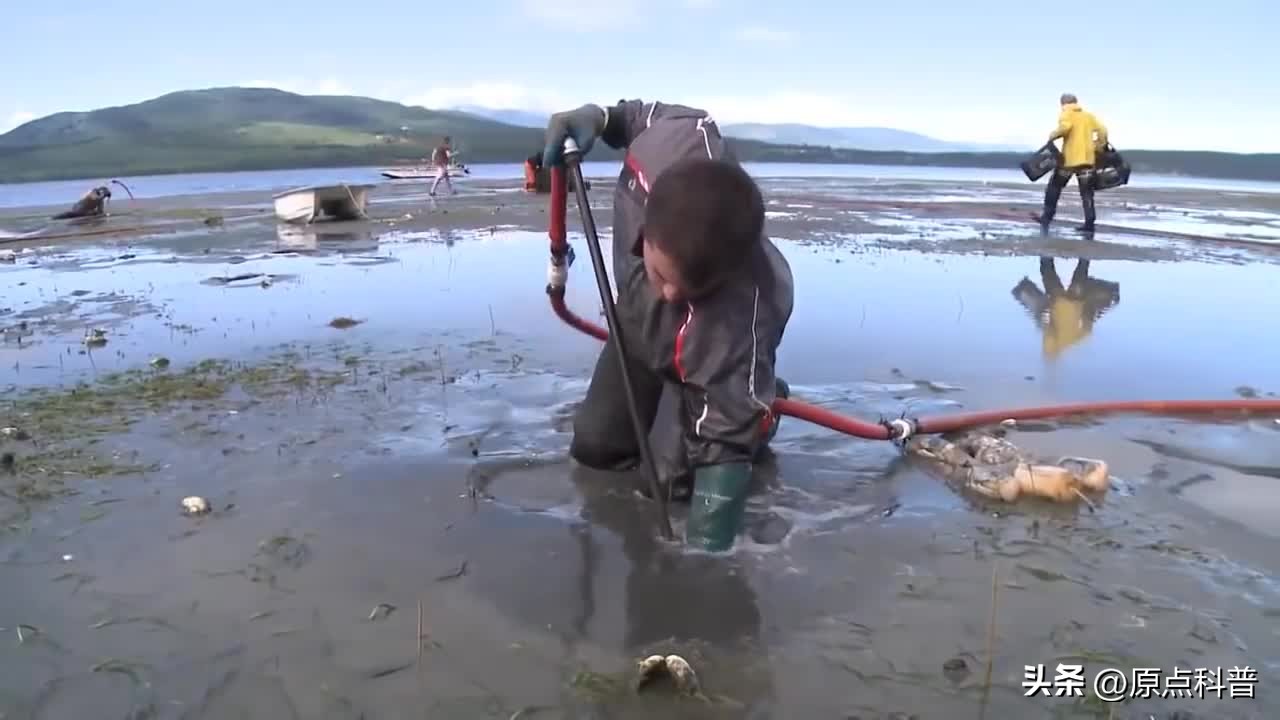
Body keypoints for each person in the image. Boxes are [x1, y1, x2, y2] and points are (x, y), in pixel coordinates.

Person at [542, 99, 794, 553]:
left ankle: (761, 405)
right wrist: (600, 119)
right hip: (637, 322)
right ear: (648, 229)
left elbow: (722, 449)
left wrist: (707, 556)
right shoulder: (676, 140)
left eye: (690, 288)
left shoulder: (735, 324)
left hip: (708, 352)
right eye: (664, 276)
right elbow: (639, 117)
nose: (672, 296)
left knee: (668, 485)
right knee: (596, 449)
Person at [1011, 256, 1121, 359]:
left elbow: (1087, 330)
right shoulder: (1066, 341)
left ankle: (1082, 248)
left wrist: (1087, 315)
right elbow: (1043, 319)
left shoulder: (1067, 342)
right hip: (1065, 301)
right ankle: (1049, 250)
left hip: (1066, 301)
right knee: (1051, 272)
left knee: (1074, 273)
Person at [1035, 93, 1109, 234]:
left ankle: (1047, 217)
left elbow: (1066, 127)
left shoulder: (1066, 114)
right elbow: (1103, 130)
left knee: (1054, 187)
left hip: (1069, 161)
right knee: (1086, 193)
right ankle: (1089, 224)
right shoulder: (1089, 116)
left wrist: (1052, 136)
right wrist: (1098, 145)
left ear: (1063, 103)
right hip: (1087, 160)